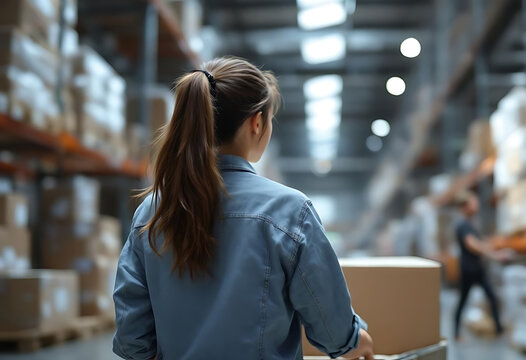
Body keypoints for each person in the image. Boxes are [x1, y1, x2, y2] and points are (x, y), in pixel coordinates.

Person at [112, 57, 374, 360]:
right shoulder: (291, 212)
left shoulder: (153, 212)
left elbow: (133, 337)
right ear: (257, 123)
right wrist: (360, 341)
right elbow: (334, 333)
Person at [453, 191, 508, 340]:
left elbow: (479, 243)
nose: (476, 206)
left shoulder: (469, 224)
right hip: (469, 269)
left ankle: (499, 329)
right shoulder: (463, 224)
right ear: (465, 206)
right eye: (473, 202)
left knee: (491, 296)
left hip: (477, 268)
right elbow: (473, 245)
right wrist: (494, 255)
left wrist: (492, 248)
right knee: (463, 300)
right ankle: (456, 333)